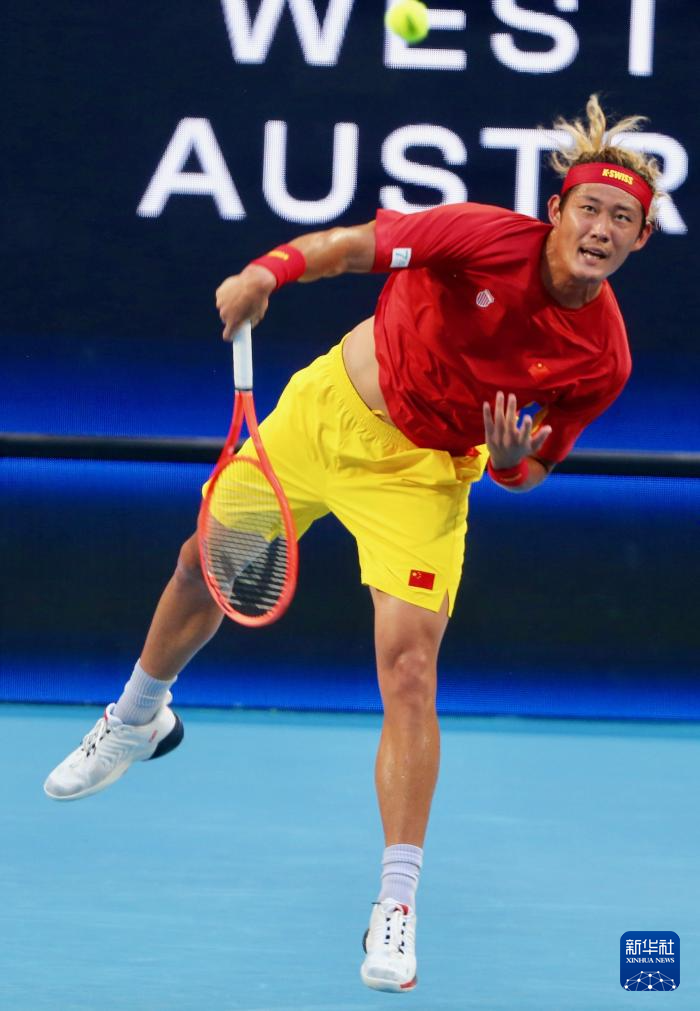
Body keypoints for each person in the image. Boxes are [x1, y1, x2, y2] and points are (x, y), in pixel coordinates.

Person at [44, 96, 660, 993]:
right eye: (590, 209)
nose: (601, 229)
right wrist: (267, 271)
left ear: (641, 238)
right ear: (556, 211)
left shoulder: (602, 358)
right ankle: (139, 716)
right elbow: (351, 247)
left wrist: (510, 463)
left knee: (409, 670)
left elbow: (530, 471)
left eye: (622, 219)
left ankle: (396, 903)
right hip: (325, 413)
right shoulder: (482, 236)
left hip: (424, 476)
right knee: (201, 566)